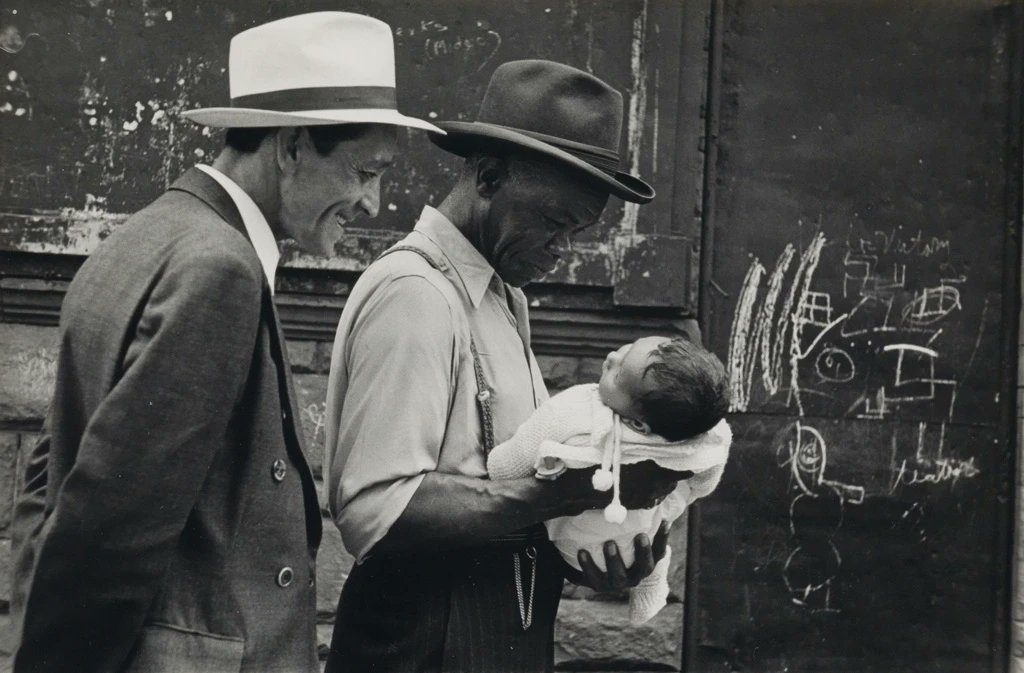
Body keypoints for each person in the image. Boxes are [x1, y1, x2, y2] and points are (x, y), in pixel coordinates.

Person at [8, 12, 441, 673]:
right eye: (366, 171)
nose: (375, 203)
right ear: (292, 146)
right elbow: (112, 526)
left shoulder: (145, 235)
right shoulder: (221, 270)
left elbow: (48, 485)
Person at [323, 59, 690, 672]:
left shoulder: (499, 297)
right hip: (424, 639)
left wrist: (601, 540)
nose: (562, 250)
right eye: (554, 223)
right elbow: (375, 510)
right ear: (490, 178)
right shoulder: (417, 292)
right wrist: (565, 494)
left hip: (493, 629)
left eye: (578, 231)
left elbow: (494, 483)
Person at [487, 336, 732, 624]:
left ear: (638, 423)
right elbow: (707, 477)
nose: (612, 356)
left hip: (572, 542)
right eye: (626, 349)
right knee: (664, 515)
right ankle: (651, 583)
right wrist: (687, 493)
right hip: (637, 541)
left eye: (618, 374)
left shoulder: (570, 412)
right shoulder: (704, 437)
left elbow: (504, 470)